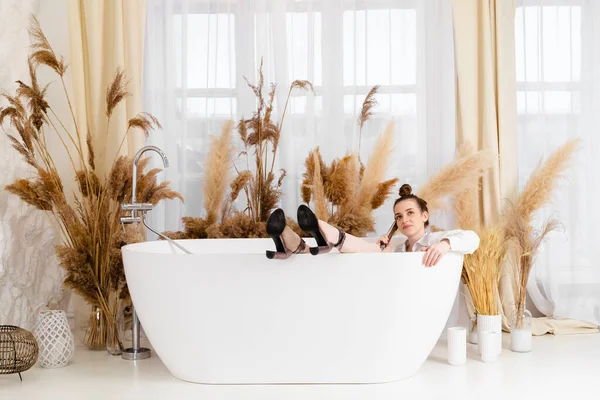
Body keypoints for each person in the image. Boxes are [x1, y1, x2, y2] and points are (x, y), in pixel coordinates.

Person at [265, 184, 480, 267]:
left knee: (369, 250)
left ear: (425, 216)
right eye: (398, 216)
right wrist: (383, 249)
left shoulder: (435, 240)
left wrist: (445, 245)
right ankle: (296, 243)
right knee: (371, 250)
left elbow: (473, 238)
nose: (404, 220)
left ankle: (322, 231)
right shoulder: (397, 246)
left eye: (410, 213)